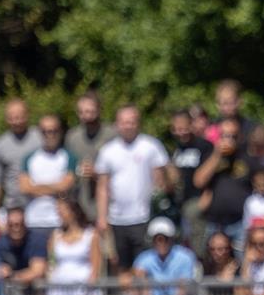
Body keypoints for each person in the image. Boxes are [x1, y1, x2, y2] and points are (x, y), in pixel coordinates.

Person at [94, 105, 171, 274]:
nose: (128, 126)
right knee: (119, 266)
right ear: (117, 124)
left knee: (143, 266)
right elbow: (102, 187)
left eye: (131, 122)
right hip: (116, 219)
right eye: (124, 122)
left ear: (138, 123)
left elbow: (160, 181)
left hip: (144, 217)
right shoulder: (108, 151)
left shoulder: (150, 146)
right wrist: (101, 217)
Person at [194, 117, 254, 256]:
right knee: (212, 266)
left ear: (240, 136)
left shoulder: (247, 156)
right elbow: (198, 181)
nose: (229, 140)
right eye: (225, 136)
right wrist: (217, 154)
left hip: (240, 222)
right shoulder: (210, 154)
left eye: (233, 136)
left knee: (242, 263)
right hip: (215, 223)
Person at [18, 115, 77, 250]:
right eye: (45, 131)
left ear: (60, 131)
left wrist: (37, 187)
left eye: (53, 131)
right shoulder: (30, 158)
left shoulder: (68, 157)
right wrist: (55, 186)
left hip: (59, 221)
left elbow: (66, 186)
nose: (50, 135)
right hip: (34, 220)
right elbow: (25, 188)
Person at [64, 91, 117, 225]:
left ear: (99, 110)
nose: (86, 116)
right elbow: (69, 170)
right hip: (81, 207)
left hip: (109, 209)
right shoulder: (72, 137)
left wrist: (97, 173)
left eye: (90, 111)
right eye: (81, 112)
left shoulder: (112, 135)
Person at [169, 109, 214, 258]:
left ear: (191, 125)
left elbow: (214, 176)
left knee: (199, 248)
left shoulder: (204, 146)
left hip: (198, 202)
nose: (181, 132)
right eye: (177, 129)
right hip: (180, 204)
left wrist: (207, 197)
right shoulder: (176, 148)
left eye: (184, 128)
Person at [0, 99, 41, 222]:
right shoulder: (0, 144)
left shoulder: (39, 137)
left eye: (20, 117)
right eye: (12, 118)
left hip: (38, 204)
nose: (16, 121)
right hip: (11, 206)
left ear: (27, 115)